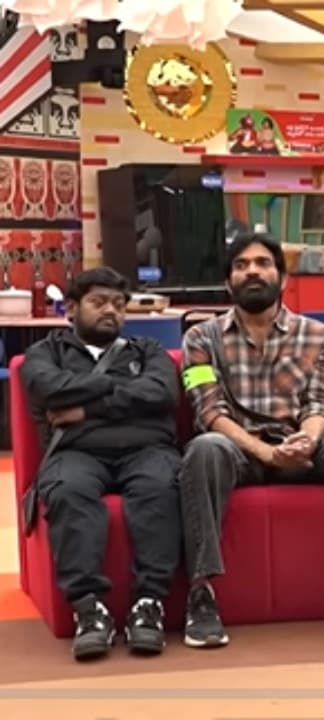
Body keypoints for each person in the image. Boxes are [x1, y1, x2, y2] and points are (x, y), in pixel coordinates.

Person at [178, 233, 324, 647]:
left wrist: (307, 441)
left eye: (263, 263)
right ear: (228, 281)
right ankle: (201, 593)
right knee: (203, 449)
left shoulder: (318, 336)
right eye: (241, 265)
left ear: (282, 277)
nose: (252, 271)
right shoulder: (200, 339)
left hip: (301, 445)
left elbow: (321, 404)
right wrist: (266, 452)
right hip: (239, 451)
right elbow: (209, 412)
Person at [19, 267, 181, 660]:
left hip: (147, 449)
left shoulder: (145, 350)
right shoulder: (46, 353)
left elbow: (162, 392)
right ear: (72, 308)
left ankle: (148, 604)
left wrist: (87, 408)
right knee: (68, 491)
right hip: (76, 453)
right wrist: (120, 388)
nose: (111, 310)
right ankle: (89, 609)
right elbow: (48, 388)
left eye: (118, 304)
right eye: (99, 302)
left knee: (162, 485)